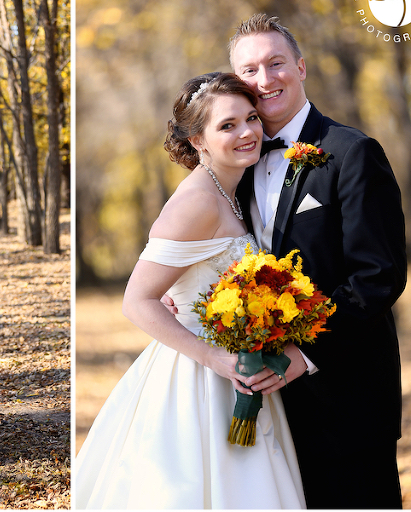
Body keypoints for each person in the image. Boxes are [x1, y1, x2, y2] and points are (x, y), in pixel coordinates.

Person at [166, 15, 406, 508]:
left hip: (346, 394)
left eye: (276, 63)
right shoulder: (238, 161)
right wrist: (183, 282)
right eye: (250, 70)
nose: (264, 79)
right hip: (267, 401)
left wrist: (303, 357)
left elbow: (377, 278)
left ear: (300, 67)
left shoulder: (352, 152)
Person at [75, 73, 306, 509]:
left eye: (252, 118)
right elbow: (137, 300)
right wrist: (216, 358)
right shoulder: (196, 201)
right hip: (199, 379)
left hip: (242, 367)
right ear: (197, 140)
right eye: (227, 125)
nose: (247, 132)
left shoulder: (238, 192)